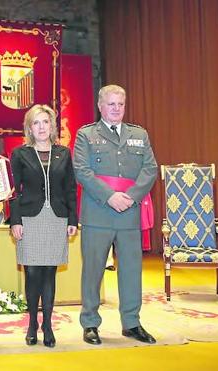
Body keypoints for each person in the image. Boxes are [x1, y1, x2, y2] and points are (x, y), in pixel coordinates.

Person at [73, 84, 158, 345]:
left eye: (120, 104)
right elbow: (81, 171)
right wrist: (110, 196)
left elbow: (150, 168)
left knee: (131, 270)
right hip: (98, 213)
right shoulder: (86, 135)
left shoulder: (138, 134)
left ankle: (131, 323)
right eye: (111, 104)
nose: (116, 109)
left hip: (129, 213)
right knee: (93, 271)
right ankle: (90, 323)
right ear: (100, 106)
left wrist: (130, 197)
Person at [9, 104, 78, 348]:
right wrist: (14, 220)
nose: (41, 127)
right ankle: (31, 324)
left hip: (57, 218)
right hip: (29, 218)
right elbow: (13, 191)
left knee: (49, 272)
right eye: (36, 123)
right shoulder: (20, 154)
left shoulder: (64, 153)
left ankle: (47, 324)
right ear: (29, 128)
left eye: (45, 122)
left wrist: (73, 219)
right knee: (33, 273)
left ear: (52, 126)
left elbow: (70, 188)